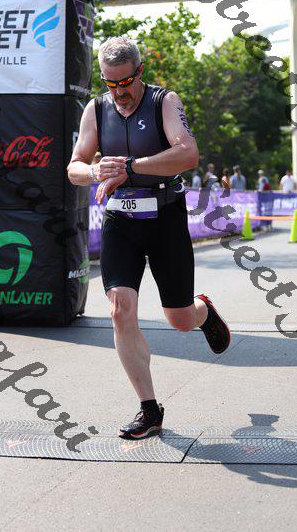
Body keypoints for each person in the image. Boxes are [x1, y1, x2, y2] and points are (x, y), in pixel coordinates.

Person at [67, 36, 230, 440]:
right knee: (120, 310)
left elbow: (187, 153)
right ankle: (149, 409)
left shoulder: (164, 102)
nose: (119, 92)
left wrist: (130, 167)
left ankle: (203, 312)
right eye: (110, 83)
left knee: (179, 319)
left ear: (140, 71)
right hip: (120, 220)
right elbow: (74, 167)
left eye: (125, 82)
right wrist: (97, 172)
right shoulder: (96, 109)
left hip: (164, 217)